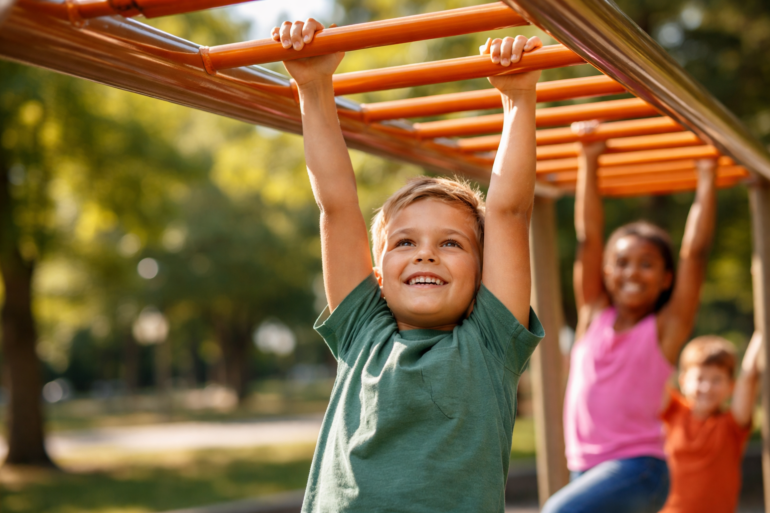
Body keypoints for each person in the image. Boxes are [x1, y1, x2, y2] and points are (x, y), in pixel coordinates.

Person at [271, 19, 545, 513]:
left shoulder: (490, 343)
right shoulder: (361, 331)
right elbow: (336, 205)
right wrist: (313, 87)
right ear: (377, 275)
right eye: (404, 242)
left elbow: (508, 212)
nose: (426, 254)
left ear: (484, 279)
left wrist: (517, 99)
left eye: (451, 244)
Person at [542, 121, 718, 513]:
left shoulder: (664, 330)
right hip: (584, 468)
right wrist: (588, 158)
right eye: (621, 262)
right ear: (605, 271)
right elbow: (588, 237)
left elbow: (696, 254)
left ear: (666, 278)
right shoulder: (593, 314)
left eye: (647, 264)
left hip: (639, 467)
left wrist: (706, 177)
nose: (632, 273)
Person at [660, 330, 763, 513]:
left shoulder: (732, 424)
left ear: (730, 387)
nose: (707, 387)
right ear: (683, 381)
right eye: (699, 378)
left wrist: (762, 332)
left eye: (717, 380)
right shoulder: (673, 413)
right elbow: (656, 368)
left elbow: (748, 378)